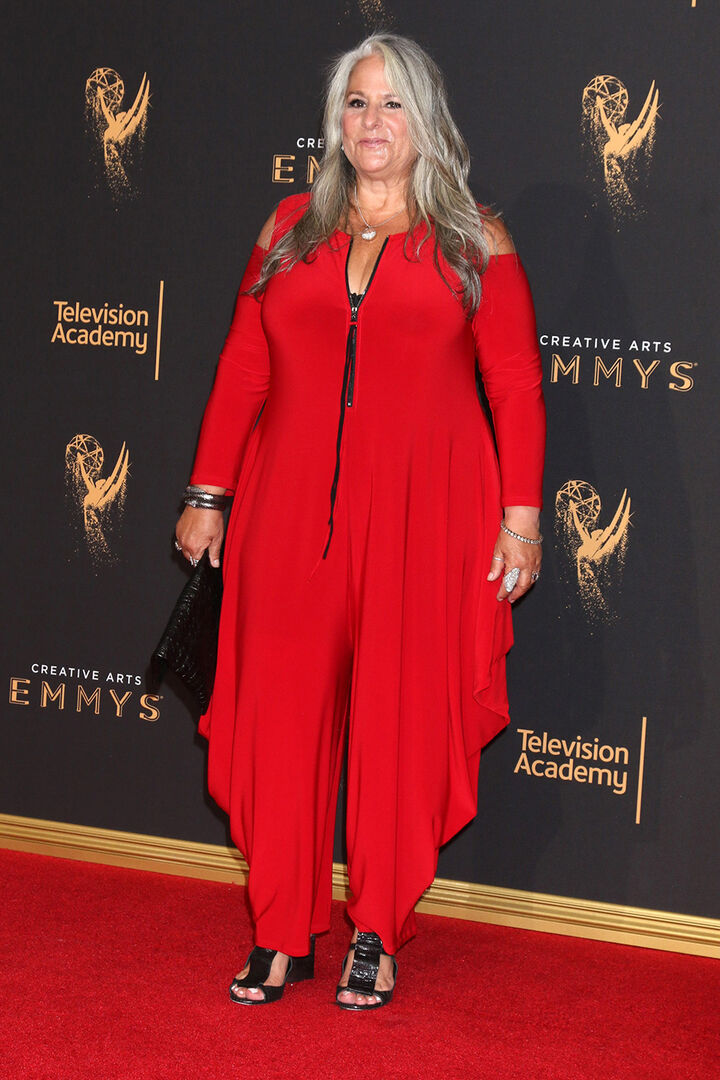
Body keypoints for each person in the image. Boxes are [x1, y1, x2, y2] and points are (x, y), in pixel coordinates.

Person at [174, 33, 545, 1010]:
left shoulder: (475, 239)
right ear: (335, 121)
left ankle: (375, 930)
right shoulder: (291, 226)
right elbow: (244, 364)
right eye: (355, 103)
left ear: (426, 119)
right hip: (287, 511)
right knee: (279, 720)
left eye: (391, 103)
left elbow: (514, 383)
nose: (371, 121)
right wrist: (210, 492)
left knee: (397, 724)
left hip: (426, 516)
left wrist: (520, 520)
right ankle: (279, 929)